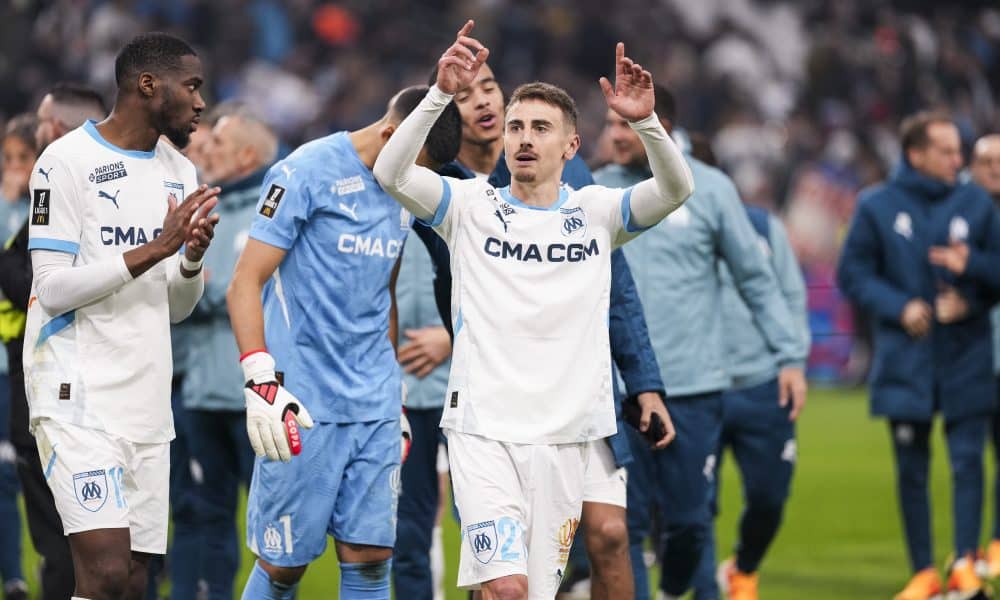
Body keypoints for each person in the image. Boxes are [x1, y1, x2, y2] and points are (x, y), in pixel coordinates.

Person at [374, 21, 693, 598]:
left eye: (541, 128)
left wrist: (645, 121)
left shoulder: (597, 213)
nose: (523, 137)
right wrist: (441, 95)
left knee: (532, 593)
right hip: (483, 432)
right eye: (516, 126)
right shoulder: (467, 206)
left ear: (570, 146)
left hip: (566, 437)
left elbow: (675, 190)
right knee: (508, 589)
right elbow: (390, 171)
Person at [226, 85, 460, 600]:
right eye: (414, 163)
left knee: (372, 559)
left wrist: (394, 393)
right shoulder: (305, 171)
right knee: (284, 565)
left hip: (374, 399)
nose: (416, 179)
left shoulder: (404, 188)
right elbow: (245, 281)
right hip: (303, 399)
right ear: (392, 134)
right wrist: (260, 381)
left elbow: (385, 291)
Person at [24, 32, 220, 599]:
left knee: (133, 581)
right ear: (147, 85)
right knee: (106, 570)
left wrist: (191, 258)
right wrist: (156, 248)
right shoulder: (65, 163)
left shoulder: (179, 173)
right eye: (192, 86)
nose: (201, 102)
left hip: (146, 404)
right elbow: (53, 289)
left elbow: (177, 308)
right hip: (76, 395)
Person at [594, 85, 807, 600]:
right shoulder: (593, 190)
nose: (615, 136)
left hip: (692, 388)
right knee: (625, 529)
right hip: (617, 390)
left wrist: (789, 355)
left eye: (627, 125)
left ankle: (673, 590)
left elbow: (755, 277)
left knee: (690, 522)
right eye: (612, 124)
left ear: (657, 125)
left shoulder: (709, 189)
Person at [837, 112, 1000, 600]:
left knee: (968, 462)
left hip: (965, 356)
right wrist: (898, 305)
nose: (959, 160)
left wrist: (969, 292)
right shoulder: (876, 205)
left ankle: (966, 565)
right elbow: (853, 274)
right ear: (916, 155)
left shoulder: (979, 203)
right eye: (948, 152)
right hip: (905, 361)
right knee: (911, 469)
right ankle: (925, 572)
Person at [685, 142, 812, 600]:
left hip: (762, 384)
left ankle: (743, 566)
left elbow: (790, 296)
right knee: (696, 507)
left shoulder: (761, 228)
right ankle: (707, 592)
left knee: (769, 498)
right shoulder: (668, 225)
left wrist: (792, 360)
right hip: (700, 384)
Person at [0, 84, 106, 600]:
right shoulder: (113, 185)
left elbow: (28, 288)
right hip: (102, 385)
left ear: (57, 129)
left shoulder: (59, 194)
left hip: (57, 389)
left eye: (41, 124)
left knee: (64, 535)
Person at [178, 109, 279, 600]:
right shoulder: (200, 208)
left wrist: (210, 288)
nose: (206, 149)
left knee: (274, 526)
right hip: (201, 390)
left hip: (256, 398)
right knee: (208, 515)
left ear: (246, 155)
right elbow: (182, 291)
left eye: (218, 142)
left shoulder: (274, 211)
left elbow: (252, 291)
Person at [0, 114, 37, 600]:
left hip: (18, 368)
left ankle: (16, 574)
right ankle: (15, 575)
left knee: (11, 472)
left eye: (22, 158)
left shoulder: (42, 210)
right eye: (6, 159)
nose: (11, 168)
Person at [970, 134, 1000, 577]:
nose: (995, 168)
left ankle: (994, 544)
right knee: (966, 458)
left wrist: (969, 266)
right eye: (987, 161)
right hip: (968, 358)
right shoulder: (957, 213)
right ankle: (965, 552)